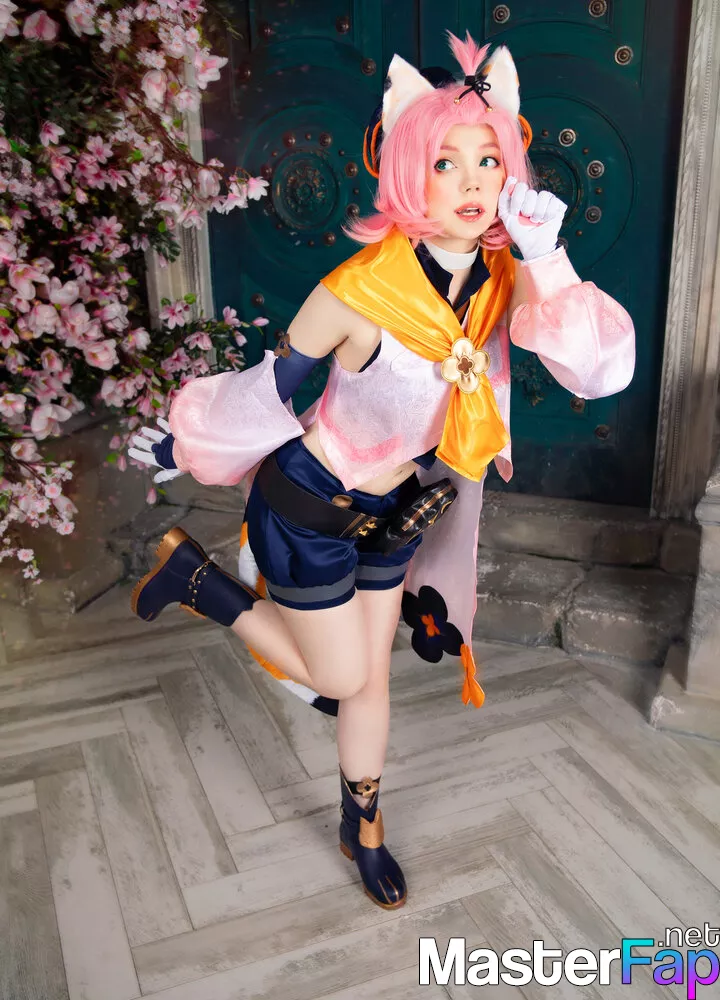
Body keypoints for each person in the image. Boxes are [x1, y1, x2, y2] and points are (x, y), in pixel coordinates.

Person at [128, 32, 635, 911]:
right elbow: (270, 390)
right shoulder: (356, 292)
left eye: (488, 159)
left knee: (372, 681)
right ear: (405, 168)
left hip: (397, 512)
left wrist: (549, 258)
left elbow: (598, 372)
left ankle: (362, 829)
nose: (473, 182)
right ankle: (198, 580)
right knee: (338, 678)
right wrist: (183, 444)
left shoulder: (506, 279)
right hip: (309, 507)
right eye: (445, 162)